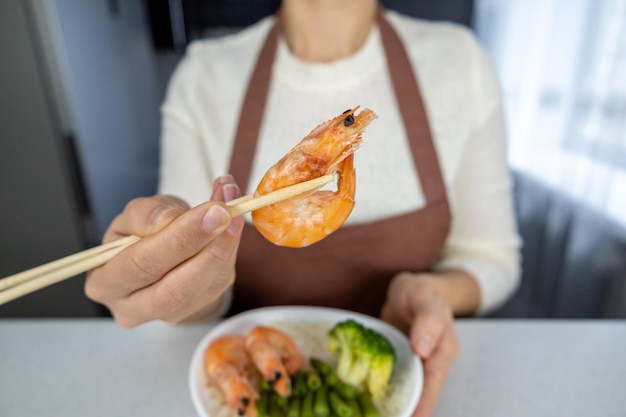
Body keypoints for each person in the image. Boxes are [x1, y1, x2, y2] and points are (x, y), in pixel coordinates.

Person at [85, 1, 521, 416]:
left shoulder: (461, 63)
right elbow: (193, 297)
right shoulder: (203, 76)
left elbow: (491, 258)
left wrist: (438, 294)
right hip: (259, 372)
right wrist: (171, 285)